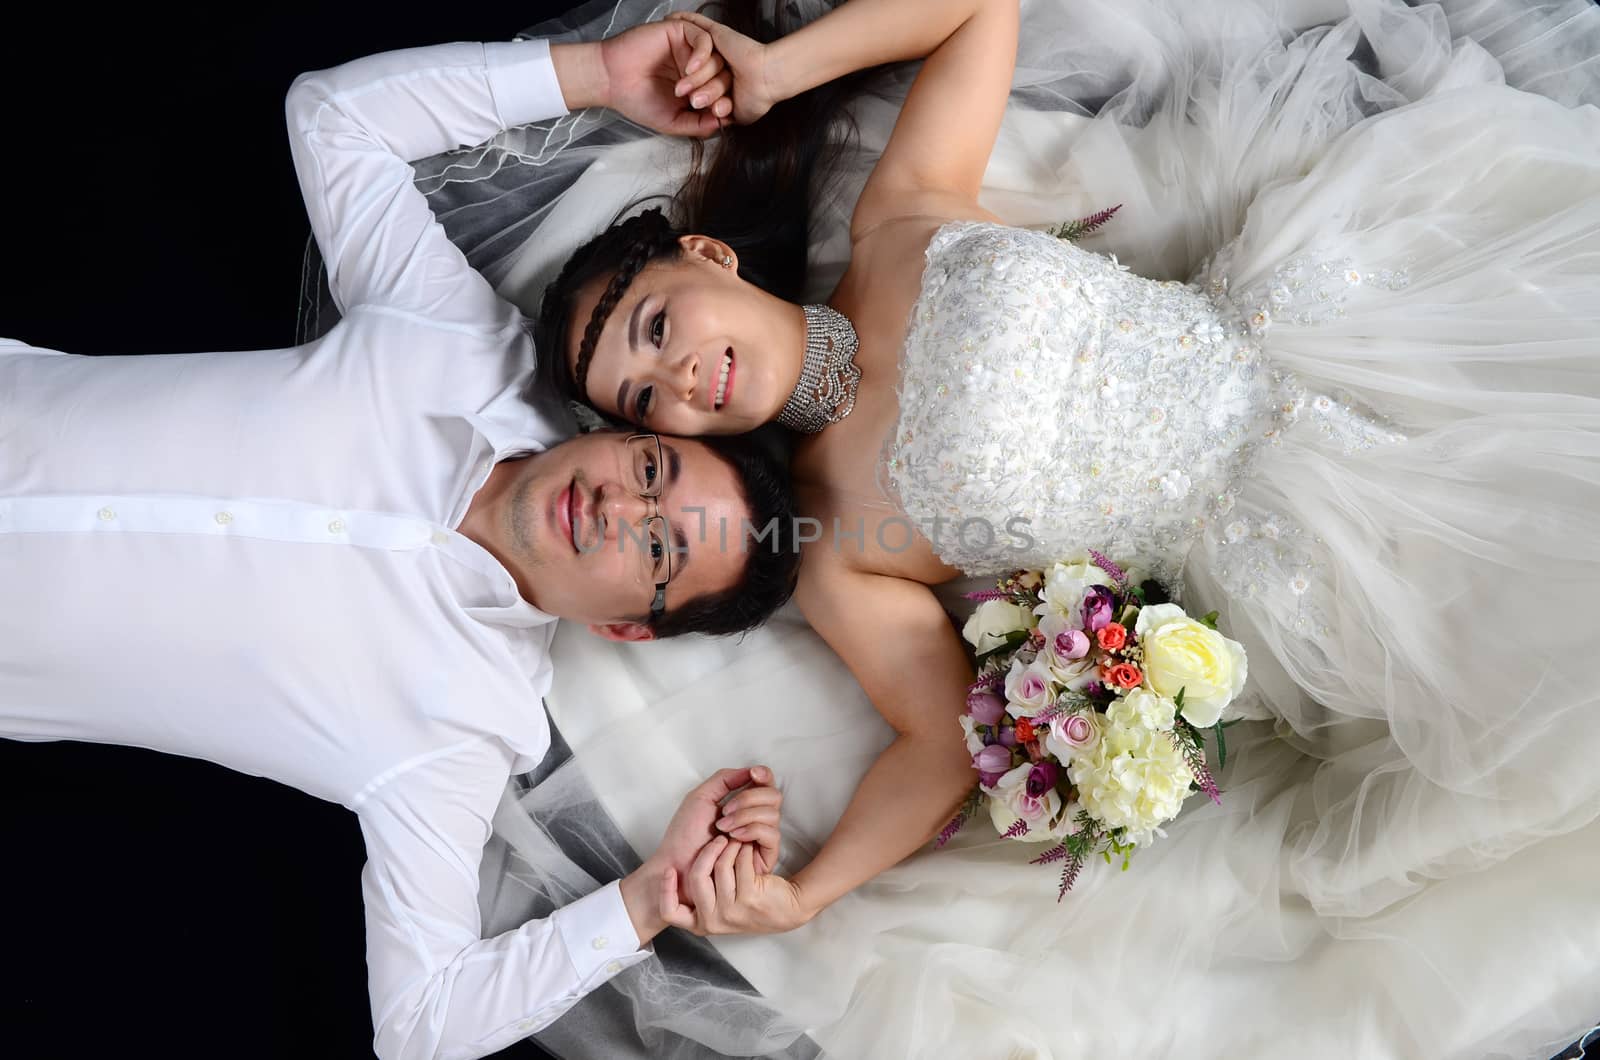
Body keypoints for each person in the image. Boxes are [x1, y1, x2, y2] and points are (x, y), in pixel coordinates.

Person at [440, 0, 1600, 1055]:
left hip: (1328, 328)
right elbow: (936, 746)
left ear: (707, 254)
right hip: (1300, 554)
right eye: (647, 400)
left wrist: (775, 70)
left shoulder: (898, 215)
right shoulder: (836, 548)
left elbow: (977, 12)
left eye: (655, 325)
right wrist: (807, 894)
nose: (681, 372)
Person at [0, 23, 804, 1060]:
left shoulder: (454, 734)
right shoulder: (458, 346)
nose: (620, 508)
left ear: (627, 628)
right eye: (652, 472)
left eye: (658, 554)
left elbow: (424, 1025)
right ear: (626, 431)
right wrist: (596, 77)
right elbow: (333, 120)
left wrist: (645, 900)